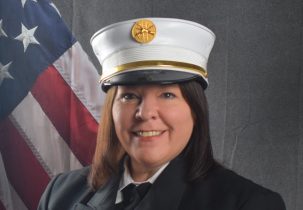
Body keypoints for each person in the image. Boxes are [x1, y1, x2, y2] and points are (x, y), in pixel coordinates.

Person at [38, 18, 286, 210]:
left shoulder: (247, 203)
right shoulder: (61, 194)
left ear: (196, 109)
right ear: (111, 109)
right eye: (129, 96)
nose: (145, 113)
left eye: (167, 95)